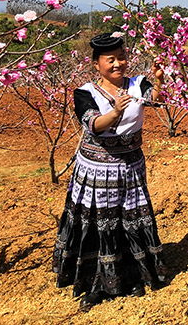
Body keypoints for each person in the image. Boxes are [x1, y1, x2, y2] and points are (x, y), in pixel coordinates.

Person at [53, 31, 168, 312]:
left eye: (122, 58)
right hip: (97, 171)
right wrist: (115, 113)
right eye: (110, 60)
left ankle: (132, 275)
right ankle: (98, 283)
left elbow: (156, 100)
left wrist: (160, 80)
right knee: (100, 222)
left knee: (129, 218)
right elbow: (93, 124)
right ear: (97, 64)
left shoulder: (138, 84)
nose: (118, 64)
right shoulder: (85, 93)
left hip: (130, 167)